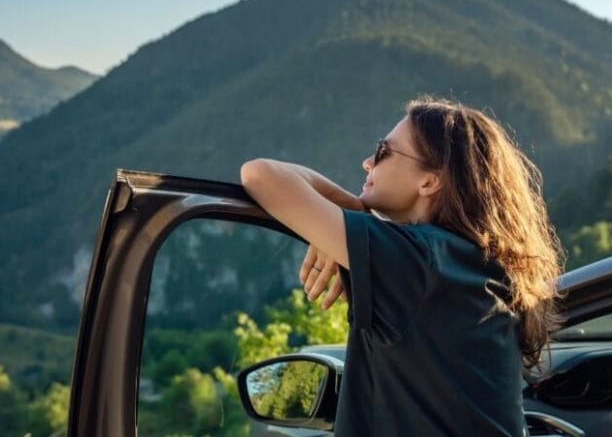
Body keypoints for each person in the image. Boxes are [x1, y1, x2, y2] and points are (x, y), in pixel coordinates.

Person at [240, 95, 564, 437]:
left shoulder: (419, 261)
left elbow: (260, 175)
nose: (368, 163)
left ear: (429, 181)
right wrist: (352, 223)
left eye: (383, 152)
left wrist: (354, 214)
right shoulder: (472, 266)